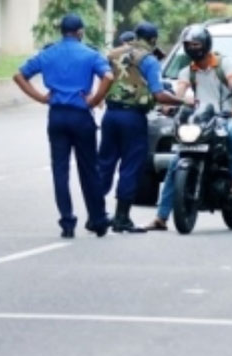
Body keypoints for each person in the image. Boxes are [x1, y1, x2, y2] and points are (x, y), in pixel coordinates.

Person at [12, 14, 113, 238]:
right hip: (80, 116)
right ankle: (97, 218)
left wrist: (41, 97)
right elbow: (108, 76)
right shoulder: (90, 54)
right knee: (89, 169)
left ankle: (67, 221)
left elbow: (19, 75)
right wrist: (95, 100)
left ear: (62, 31)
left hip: (57, 116)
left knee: (60, 170)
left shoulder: (48, 54)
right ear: (79, 32)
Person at [143, 25, 232, 231]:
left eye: (196, 44)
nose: (192, 48)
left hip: (226, 116)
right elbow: (180, 94)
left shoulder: (224, 63)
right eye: (189, 45)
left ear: (206, 45)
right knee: (175, 162)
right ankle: (161, 217)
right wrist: (168, 106)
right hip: (203, 120)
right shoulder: (187, 71)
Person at [99, 22, 189, 233]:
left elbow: (104, 83)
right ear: (153, 40)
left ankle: (96, 215)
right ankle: (122, 217)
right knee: (131, 166)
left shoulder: (112, 54)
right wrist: (182, 102)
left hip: (110, 116)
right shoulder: (148, 60)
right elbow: (158, 94)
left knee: (104, 164)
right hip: (132, 118)